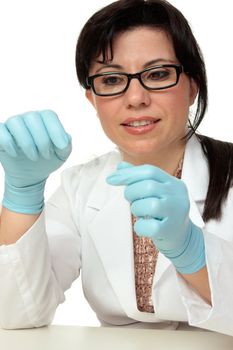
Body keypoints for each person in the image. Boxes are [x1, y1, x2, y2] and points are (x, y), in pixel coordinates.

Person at [0, 0, 233, 336]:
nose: (135, 97)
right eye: (111, 80)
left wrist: (193, 253)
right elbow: (15, 313)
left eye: (157, 74)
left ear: (193, 85)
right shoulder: (80, 186)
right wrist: (21, 196)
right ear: (92, 99)